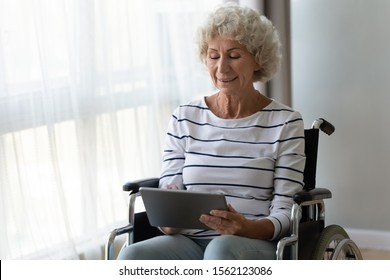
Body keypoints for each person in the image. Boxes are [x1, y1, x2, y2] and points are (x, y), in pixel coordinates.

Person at [117, 3, 305, 260]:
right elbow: (170, 188)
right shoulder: (185, 117)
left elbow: (287, 213)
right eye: (214, 56)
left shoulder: (285, 123)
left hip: (252, 242)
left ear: (258, 58)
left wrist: (247, 227)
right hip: (189, 240)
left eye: (234, 56)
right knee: (132, 256)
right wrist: (167, 219)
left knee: (220, 249)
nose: (222, 68)